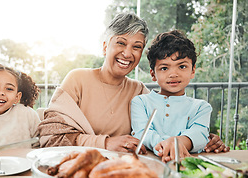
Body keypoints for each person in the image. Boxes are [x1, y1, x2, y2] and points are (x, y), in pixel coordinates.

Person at [37, 12, 229, 154]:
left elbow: (164, 126)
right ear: (105, 46)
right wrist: (104, 143)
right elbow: (49, 137)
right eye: (121, 43)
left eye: (136, 47)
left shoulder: (139, 92)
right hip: (72, 164)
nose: (128, 53)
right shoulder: (77, 78)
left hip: (120, 170)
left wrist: (206, 139)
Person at [131, 30, 212, 162]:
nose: (173, 74)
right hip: (148, 164)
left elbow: (200, 134)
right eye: (164, 68)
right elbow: (142, 133)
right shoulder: (140, 102)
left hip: (185, 165)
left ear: (193, 71)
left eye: (182, 66)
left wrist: (179, 141)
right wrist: (169, 146)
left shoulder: (201, 107)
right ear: (153, 74)